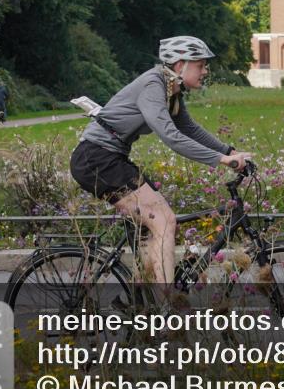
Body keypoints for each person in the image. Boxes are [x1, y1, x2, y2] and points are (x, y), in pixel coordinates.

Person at [69, 36, 252, 287]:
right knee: (164, 220)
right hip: (96, 159)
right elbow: (171, 137)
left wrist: (229, 150)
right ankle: (167, 309)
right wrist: (222, 160)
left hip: (110, 159)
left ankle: (145, 301)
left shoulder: (172, 91)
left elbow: (188, 128)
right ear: (180, 65)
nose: (205, 71)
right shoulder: (153, 85)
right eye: (201, 65)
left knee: (152, 229)